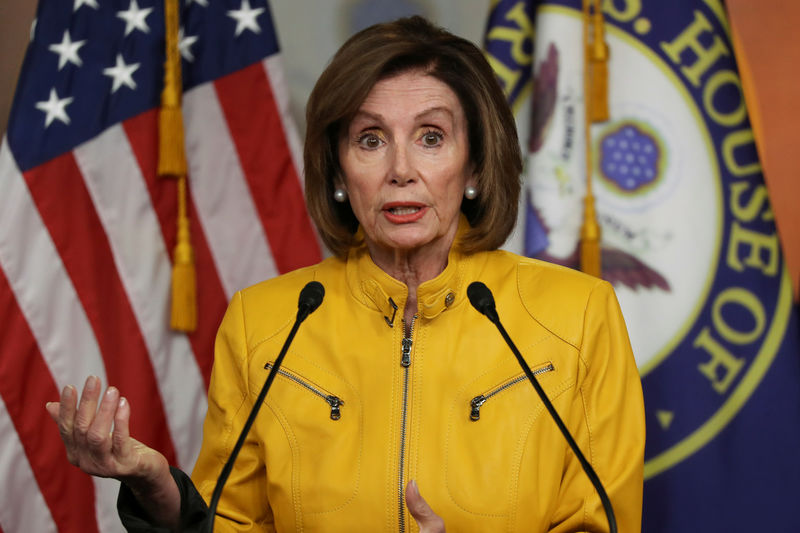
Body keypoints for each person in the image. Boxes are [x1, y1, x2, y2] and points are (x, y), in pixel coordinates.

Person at [46, 15, 645, 533]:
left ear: (475, 168)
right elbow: (232, 524)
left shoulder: (579, 315)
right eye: (370, 139)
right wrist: (158, 491)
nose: (400, 169)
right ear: (337, 171)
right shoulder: (266, 322)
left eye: (431, 137)